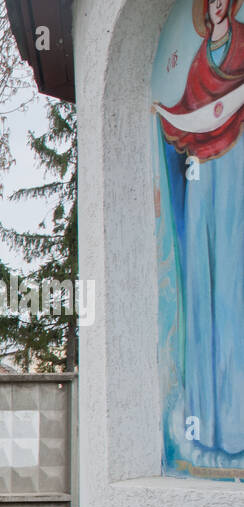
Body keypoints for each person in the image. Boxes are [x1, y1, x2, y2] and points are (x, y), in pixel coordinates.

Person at [154, 0, 244, 459]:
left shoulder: (243, 42)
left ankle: (234, 427)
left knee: (232, 285)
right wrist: (165, 117)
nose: (218, 6)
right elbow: (189, 114)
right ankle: (207, 423)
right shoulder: (198, 58)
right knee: (203, 291)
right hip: (203, 182)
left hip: (235, 177)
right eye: (211, 1)